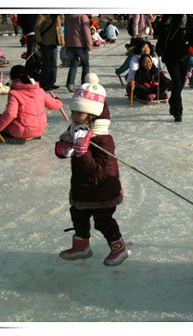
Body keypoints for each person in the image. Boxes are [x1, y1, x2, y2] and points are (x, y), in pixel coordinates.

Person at [55, 73, 130, 267]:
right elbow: (63, 147)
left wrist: (83, 152)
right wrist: (63, 148)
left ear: (92, 115)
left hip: (102, 190)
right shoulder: (77, 131)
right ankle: (82, 246)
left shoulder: (102, 140)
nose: (73, 116)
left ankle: (119, 247)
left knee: (103, 221)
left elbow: (98, 171)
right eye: (73, 111)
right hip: (83, 188)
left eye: (78, 112)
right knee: (78, 215)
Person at [0, 65, 62, 139]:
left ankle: (4, 132)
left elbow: (11, 114)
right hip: (40, 129)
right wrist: (57, 100)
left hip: (20, 131)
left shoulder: (14, 93)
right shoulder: (39, 90)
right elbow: (54, 105)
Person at [156, 14, 193, 122]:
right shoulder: (168, 19)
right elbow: (161, 35)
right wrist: (159, 48)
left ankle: (172, 101)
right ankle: (177, 112)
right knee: (177, 82)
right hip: (170, 56)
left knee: (181, 83)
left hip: (184, 56)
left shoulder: (190, 21)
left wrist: (190, 49)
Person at [35, 14, 65, 90]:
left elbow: (59, 30)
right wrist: (39, 40)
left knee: (54, 64)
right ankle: (44, 83)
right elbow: (36, 28)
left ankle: (52, 82)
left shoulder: (56, 17)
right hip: (45, 43)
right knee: (46, 64)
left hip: (54, 43)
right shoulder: (42, 16)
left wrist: (62, 40)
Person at [64, 14, 93, 92]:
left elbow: (66, 31)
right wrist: (89, 45)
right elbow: (86, 32)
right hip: (81, 45)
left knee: (73, 65)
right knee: (85, 64)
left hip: (70, 44)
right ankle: (84, 84)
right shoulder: (82, 16)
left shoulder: (67, 16)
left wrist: (66, 45)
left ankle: (70, 84)